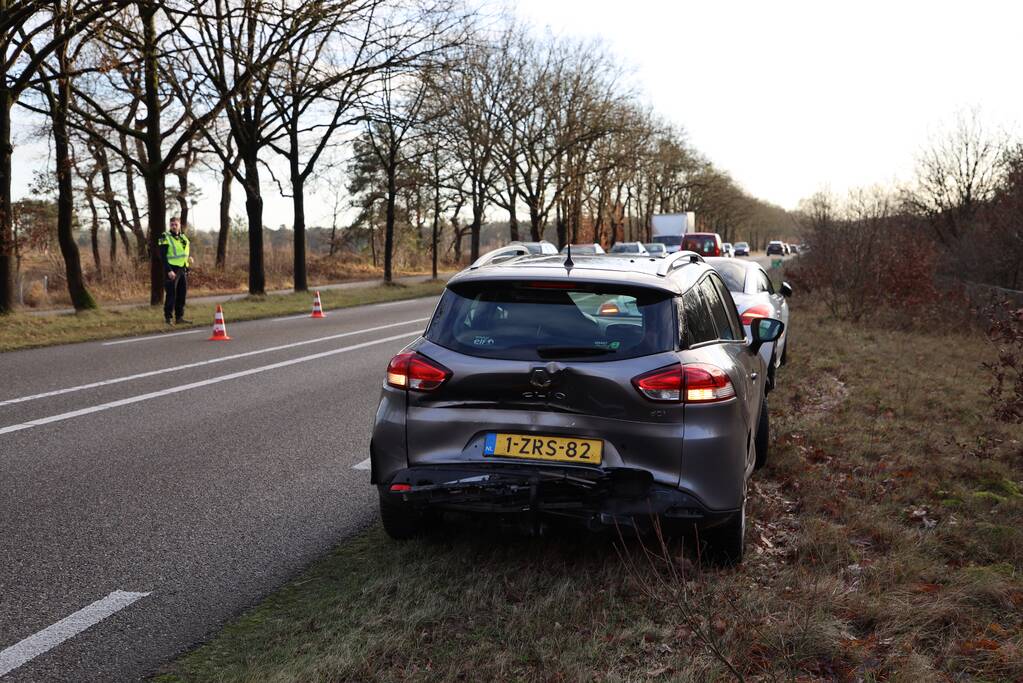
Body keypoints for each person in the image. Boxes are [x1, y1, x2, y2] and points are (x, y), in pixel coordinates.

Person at [158, 216, 192, 324]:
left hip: (182, 268)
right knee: (171, 294)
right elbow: (162, 256)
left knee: (182, 293)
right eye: (172, 224)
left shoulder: (183, 238)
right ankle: (168, 318)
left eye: (175, 224)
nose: (173, 226)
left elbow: (183, 253)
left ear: (179, 225)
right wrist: (168, 270)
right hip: (171, 268)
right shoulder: (165, 236)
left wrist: (188, 259)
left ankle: (179, 317)